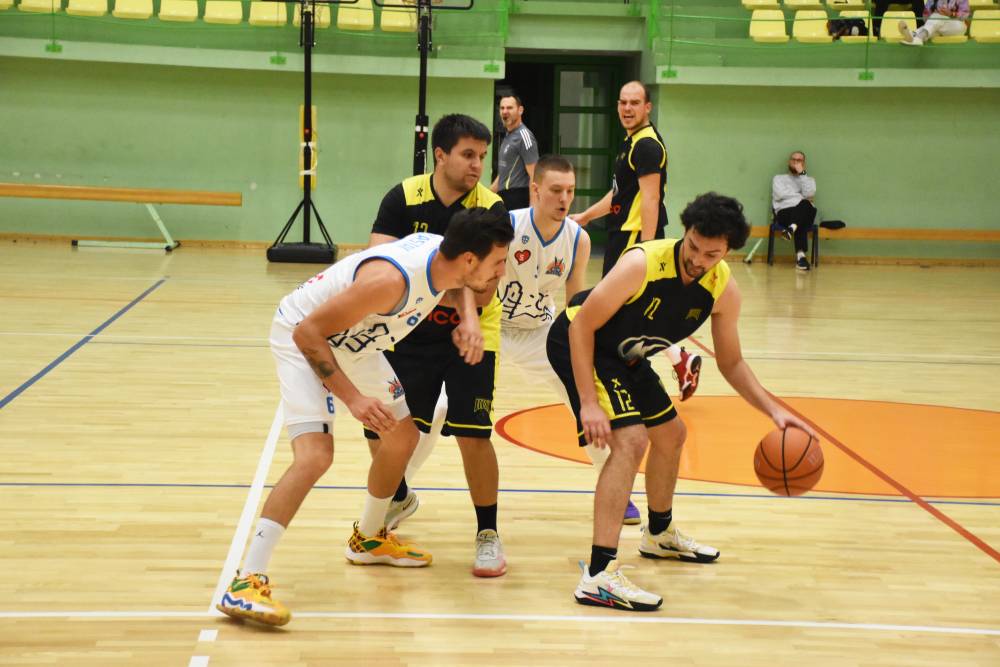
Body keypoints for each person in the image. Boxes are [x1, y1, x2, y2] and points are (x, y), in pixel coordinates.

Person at [216, 211, 514, 626]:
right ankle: (245, 581)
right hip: (304, 338)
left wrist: (468, 320)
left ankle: (368, 539)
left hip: (355, 343)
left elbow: (461, 285)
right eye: (498, 262)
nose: (502, 271)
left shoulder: (446, 261)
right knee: (316, 456)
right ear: (468, 259)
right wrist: (353, 398)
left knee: (403, 438)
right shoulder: (390, 282)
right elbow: (307, 334)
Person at [546, 192, 816, 611]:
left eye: (711, 254)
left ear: (727, 252)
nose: (697, 259)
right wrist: (588, 403)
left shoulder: (722, 288)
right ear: (685, 232)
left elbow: (732, 362)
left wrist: (775, 410)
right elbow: (582, 328)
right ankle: (598, 576)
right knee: (631, 440)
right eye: (692, 246)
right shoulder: (642, 264)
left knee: (672, 434)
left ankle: (659, 534)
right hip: (580, 340)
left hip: (626, 354)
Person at [367, 113, 511, 578]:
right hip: (408, 331)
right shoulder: (403, 198)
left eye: (482, 156)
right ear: (441, 155)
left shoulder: (491, 208)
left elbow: (484, 287)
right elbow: (379, 268)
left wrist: (459, 306)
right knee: (384, 430)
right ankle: (398, 497)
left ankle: (488, 533)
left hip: (474, 333)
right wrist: (449, 287)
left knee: (473, 434)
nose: (477, 165)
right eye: (468, 155)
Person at [571, 80, 703, 515]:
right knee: (616, 318)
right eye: (623, 102)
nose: (627, 108)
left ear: (647, 106)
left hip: (634, 243)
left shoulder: (647, 146)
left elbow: (650, 197)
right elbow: (621, 195)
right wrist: (587, 215)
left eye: (635, 103)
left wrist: (645, 251)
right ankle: (678, 358)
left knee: (609, 318)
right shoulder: (632, 143)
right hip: (621, 236)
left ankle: (641, 378)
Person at [490, 94, 540, 211]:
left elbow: (534, 174)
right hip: (504, 197)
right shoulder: (508, 136)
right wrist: (486, 196)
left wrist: (531, 210)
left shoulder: (524, 136)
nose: (505, 111)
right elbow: (504, 174)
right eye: (502, 108)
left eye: (509, 108)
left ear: (520, 110)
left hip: (518, 198)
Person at [772, 150, 817, 272]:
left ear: (803, 164)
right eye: (793, 159)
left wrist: (802, 174)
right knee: (802, 214)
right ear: (789, 162)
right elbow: (779, 194)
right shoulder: (779, 178)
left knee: (806, 205)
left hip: (806, 211)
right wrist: (800, 196)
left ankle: (791, 228)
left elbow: (809, 193)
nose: (795, 162)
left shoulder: (809, 180)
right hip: (785, 212)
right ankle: (801, 256)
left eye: (799, 160)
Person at [899, 0, 969, 45]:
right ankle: (916, 38)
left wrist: (951, 14)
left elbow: (965, 15)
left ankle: (914, 34)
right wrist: (931, 15)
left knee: (937, 18)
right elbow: (925, 17)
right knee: (936, 19)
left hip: (957, 26)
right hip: (939, 26)